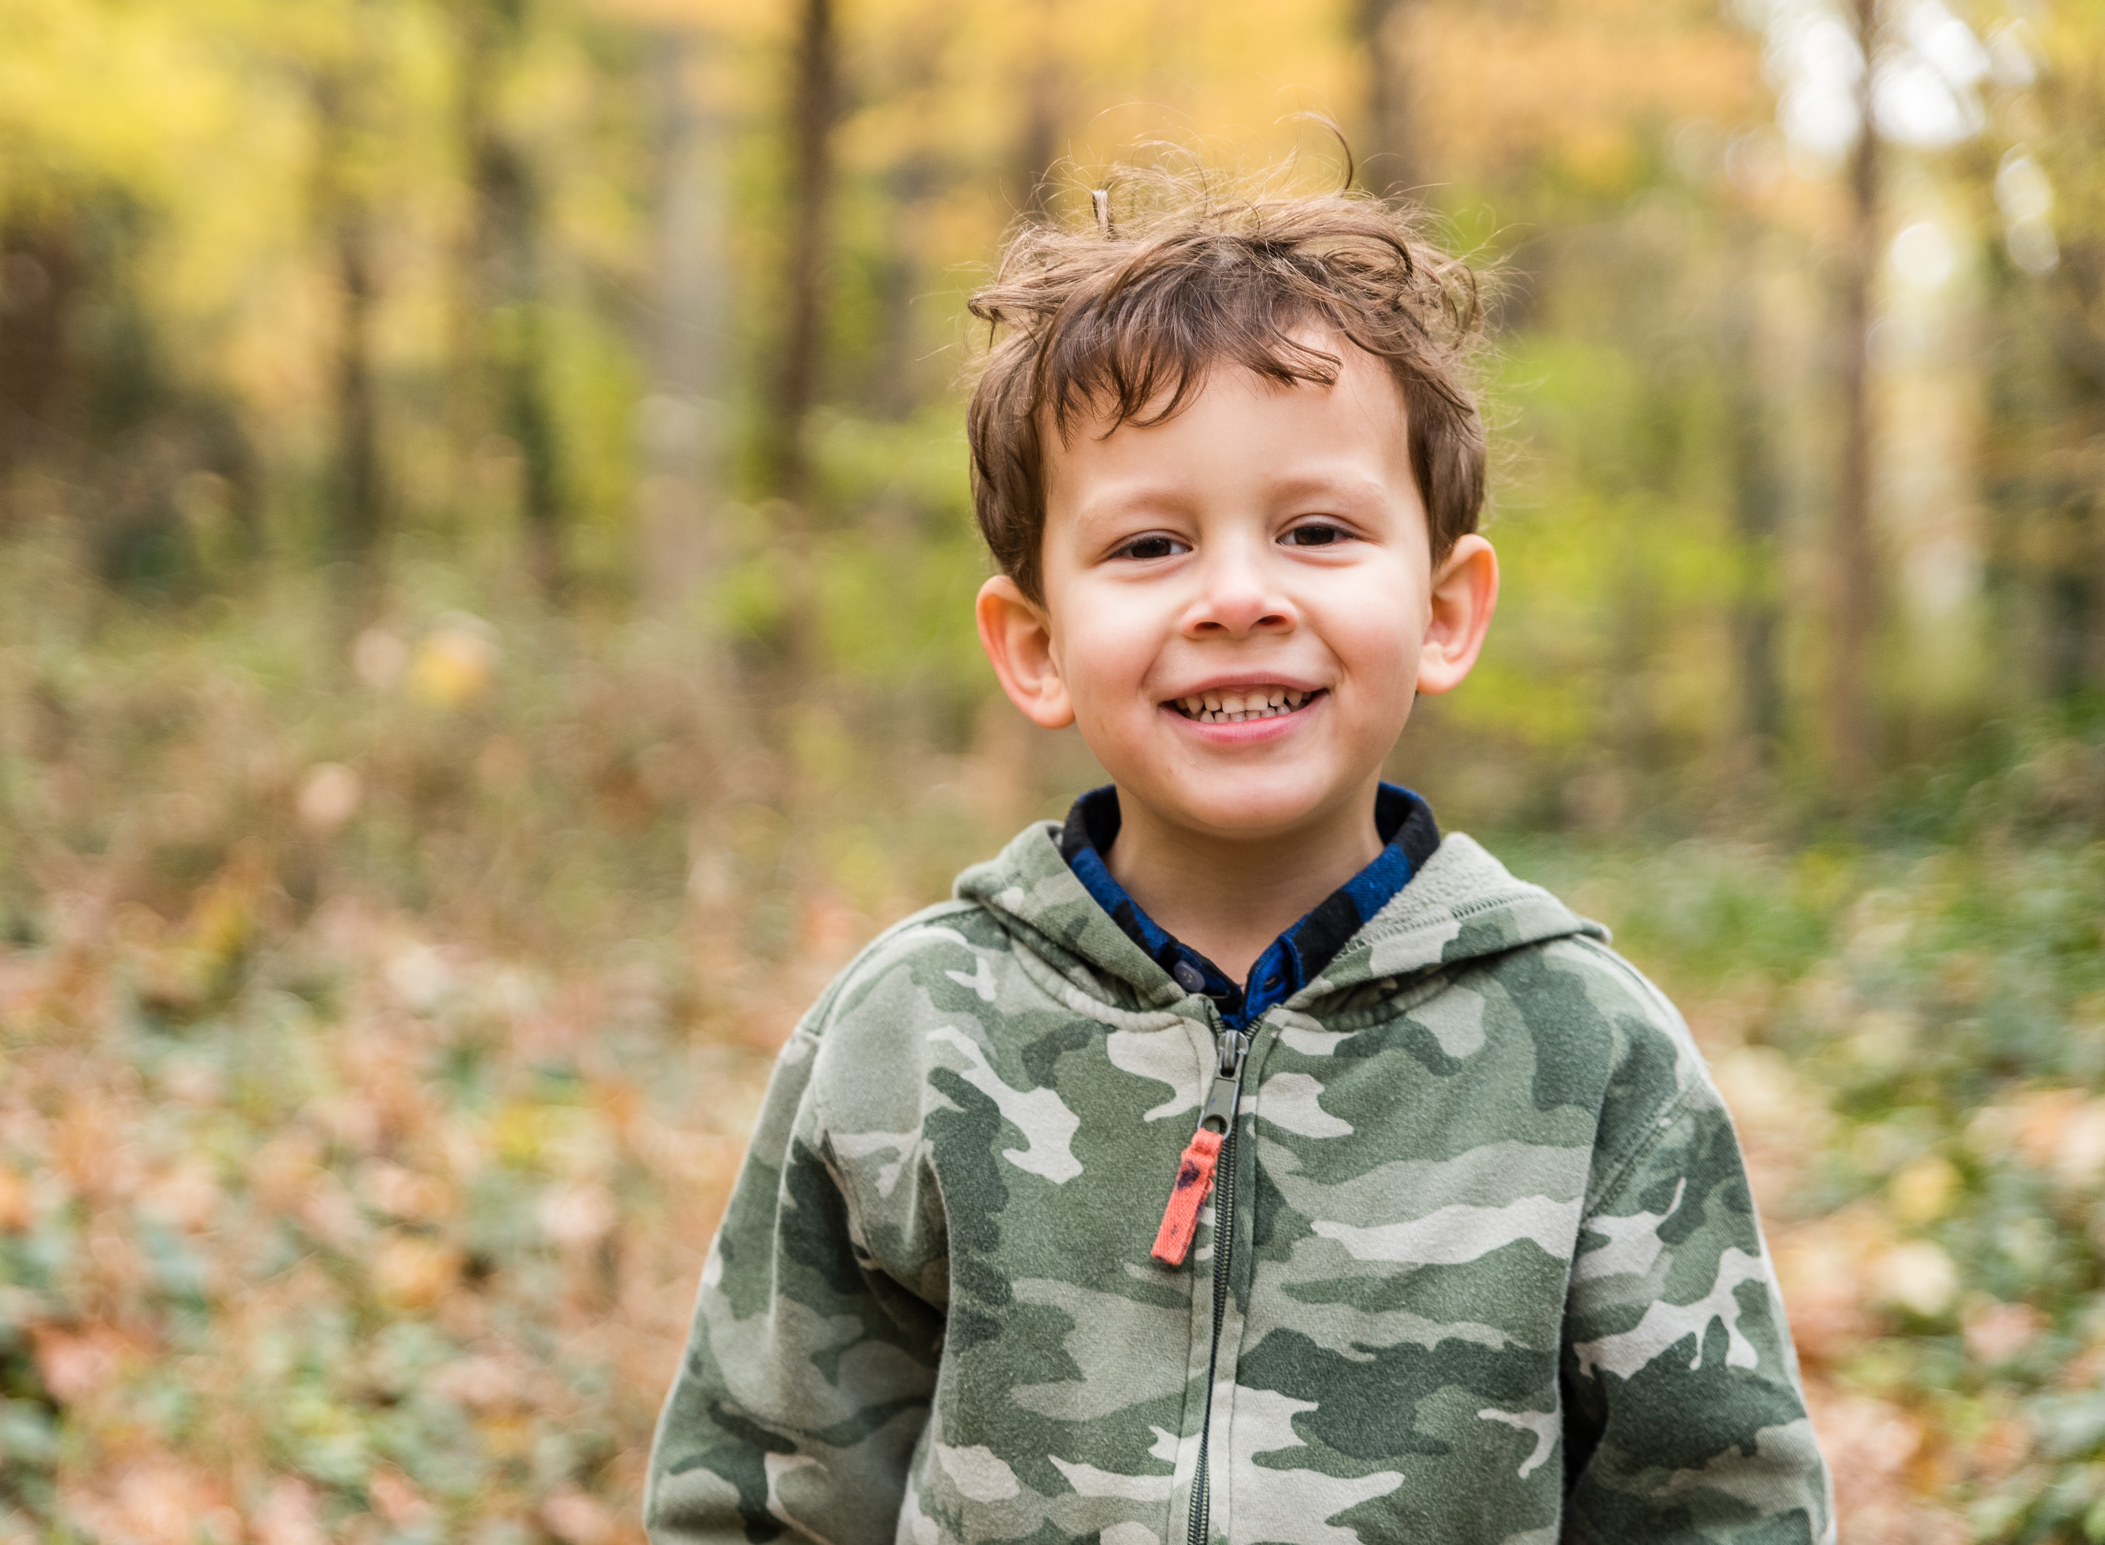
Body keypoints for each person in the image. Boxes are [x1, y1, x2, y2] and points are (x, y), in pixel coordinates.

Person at [643, 167, 1832, 1544]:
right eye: (1150, 544)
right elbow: (764, 1490)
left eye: (1316, 532)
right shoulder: (909, 1036)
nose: (1238, 598)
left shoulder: (1586, 1054)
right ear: (1035, 647)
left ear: (1446, 610)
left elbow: (1723, 1504)